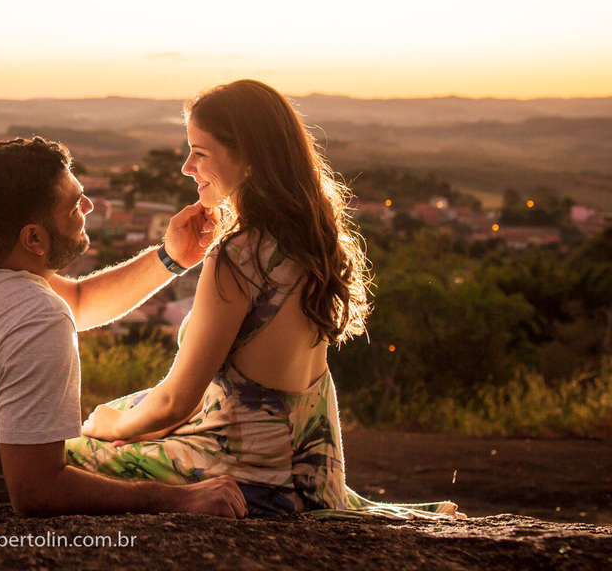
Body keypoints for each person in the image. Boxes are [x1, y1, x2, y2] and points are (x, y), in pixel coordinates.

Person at [65, 80, 460, 518]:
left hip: (247, 482)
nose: (186, 167)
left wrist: (110, 427)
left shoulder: (238, 256)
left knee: (63, 457)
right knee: (125, 409)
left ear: (248, 157)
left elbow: (178, 402)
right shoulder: (312, 240)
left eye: (200, 152)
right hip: (313, 482)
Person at [0, 136, 246, 517]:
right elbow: (37, 492)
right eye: (74, 205)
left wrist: (170, 257)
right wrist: (174, 500)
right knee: (178, 449)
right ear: (33, 238)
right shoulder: (39, 318)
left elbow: (78, 301)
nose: (89, 206)